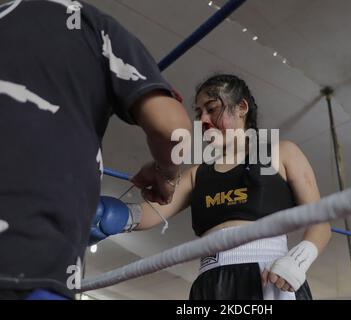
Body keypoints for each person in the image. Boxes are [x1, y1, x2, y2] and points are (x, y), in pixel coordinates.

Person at [0, 0, 192, 300]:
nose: (205, 118)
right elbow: (172, 129)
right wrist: (166, 173)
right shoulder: (90, 25)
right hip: (29, 256)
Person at [91, 74, 332, 300]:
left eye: (212, 109)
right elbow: (151, 212)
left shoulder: (282, 153)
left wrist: (300, 259)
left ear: (242, 108)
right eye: (199, 113)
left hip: (270, 276)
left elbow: (320, 223)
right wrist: (107, 215)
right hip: (211, 282)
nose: (203, 120)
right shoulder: (198, 173)